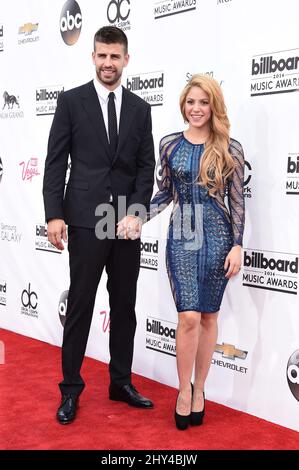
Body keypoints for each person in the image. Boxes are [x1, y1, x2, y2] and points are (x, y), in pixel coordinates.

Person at [43, 26, 155, 424]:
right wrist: (54, 213)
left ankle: (120, 382)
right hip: (85, 220)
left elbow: (146, 169)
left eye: (115, 56)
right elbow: (56, 161)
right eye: (102, 56)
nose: (108, 63)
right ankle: (70, 389)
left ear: (127, 59)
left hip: (125, 222)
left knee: (124, 305)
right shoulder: (71, 101)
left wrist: (136, 212)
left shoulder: (141, 110)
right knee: (80, 306)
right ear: (93, 58)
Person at [148, 74, 245, 430]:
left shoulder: (230, 148)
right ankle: (182, 391)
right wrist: (135, 217)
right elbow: (165, 193)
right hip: (183, 233)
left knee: (208, 317)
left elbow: (237, 203)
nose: (197, 109)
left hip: (218, 235)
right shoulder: (170, 145)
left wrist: (237, 244)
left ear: (213, 106)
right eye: (191, 102)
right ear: (183, 106)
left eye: (204, 102)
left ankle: (200, 388)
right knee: (188, 317)